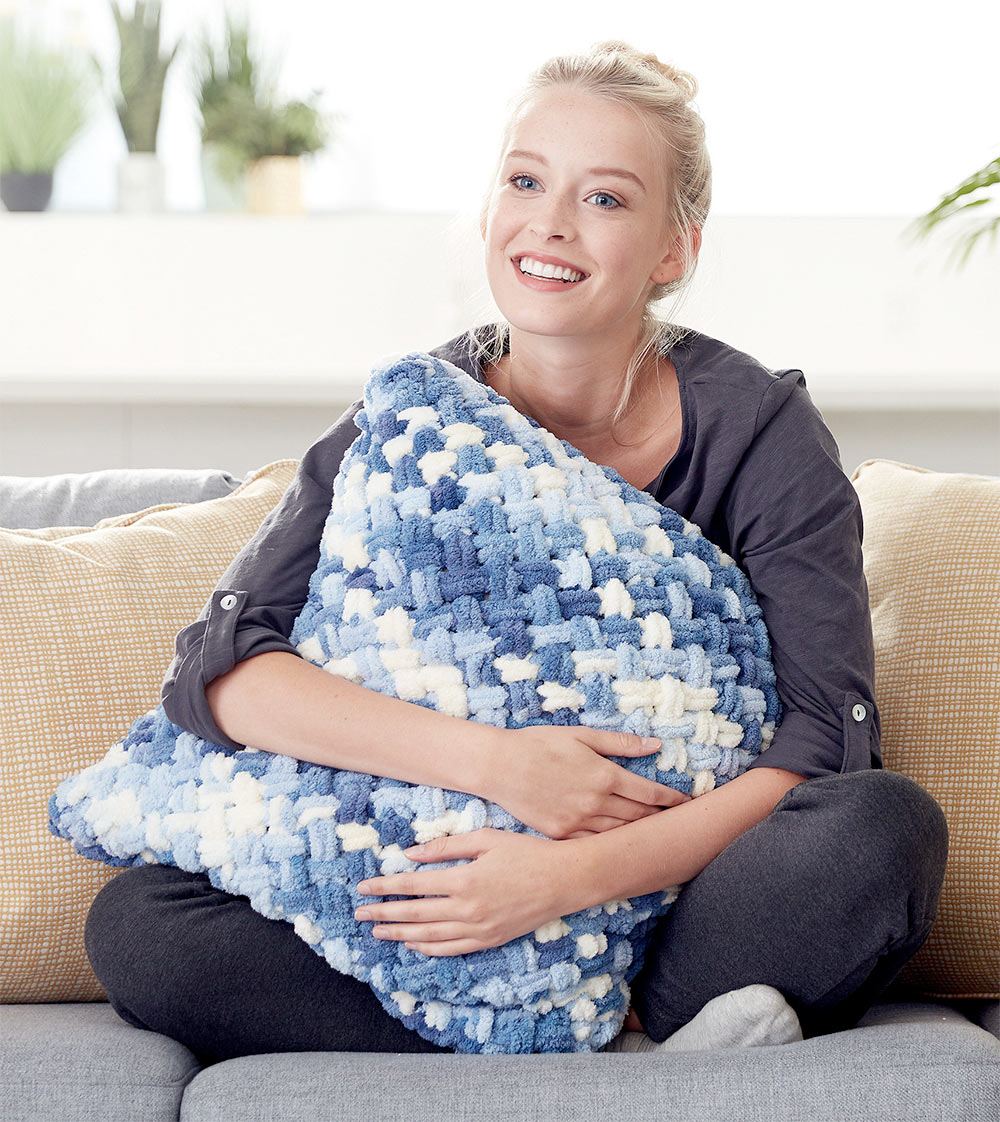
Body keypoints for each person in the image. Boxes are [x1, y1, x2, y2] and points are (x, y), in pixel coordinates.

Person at [84, 41, 948, 1062]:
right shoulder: (411, 416)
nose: (550, 223)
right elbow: (222, 676)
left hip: (677, 909)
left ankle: (620, 1017)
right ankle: (593, 1042)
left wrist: (563, 879)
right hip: (431, 886)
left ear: (674, 251)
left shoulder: (762, 434)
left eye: (605, 198)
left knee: (880, 829)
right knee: (142, 925)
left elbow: (820, 743)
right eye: (526, 181)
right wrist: (503, 768)